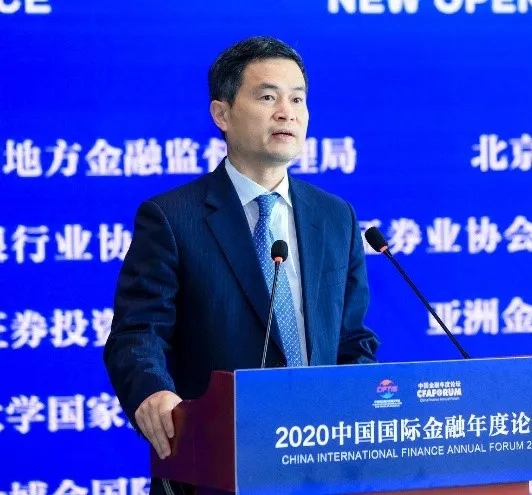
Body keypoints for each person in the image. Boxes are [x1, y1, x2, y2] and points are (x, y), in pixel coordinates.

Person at [103, 35, 380, 492]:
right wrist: (153, 392)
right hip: (218, 465)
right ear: (222, 114)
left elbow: (351, 339)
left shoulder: (335, 217)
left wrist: (369, 408)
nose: (287, 112)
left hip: (323, 465)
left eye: (297, 99)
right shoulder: (173, 218)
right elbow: (138, 332)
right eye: (268, 97)